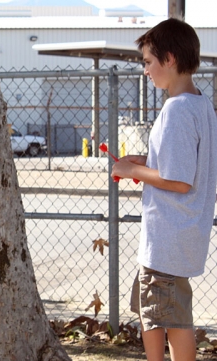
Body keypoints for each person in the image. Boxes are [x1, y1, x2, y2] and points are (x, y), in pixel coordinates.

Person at [112, 18, 217, 361]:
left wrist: (132, 169)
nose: (145, 71)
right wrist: (143, 160)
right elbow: (182, 162)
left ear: (169, 58)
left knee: (165, 320)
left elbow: (179, 180)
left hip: (167, 239)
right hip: (181, 236)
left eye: (147, 62)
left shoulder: (177, 110)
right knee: (165, 317)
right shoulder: (201, 104)